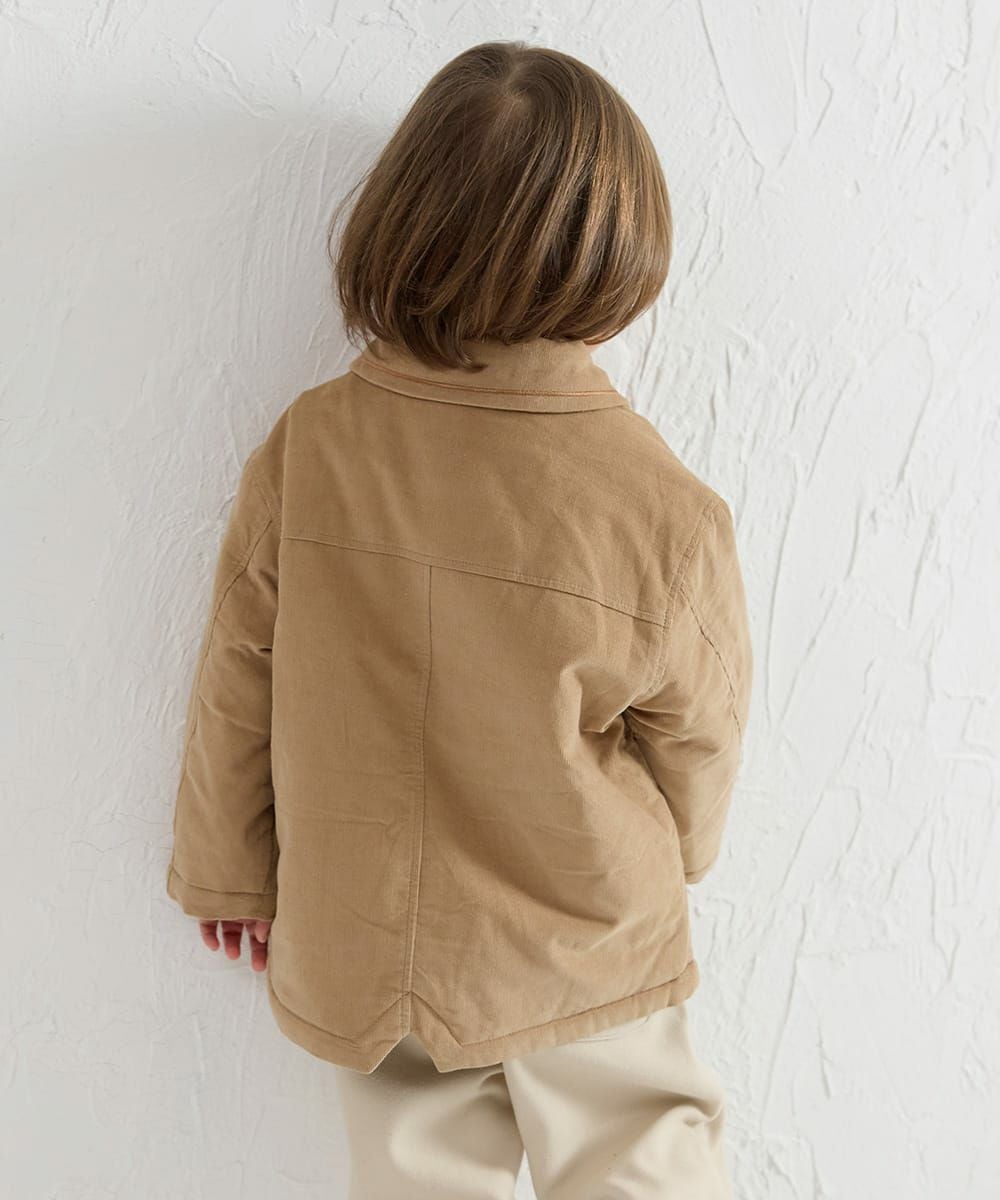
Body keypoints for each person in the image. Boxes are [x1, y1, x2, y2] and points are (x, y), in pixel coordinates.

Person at [164, 39, 753, 1200]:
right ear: (615, 252)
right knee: (643, 1168)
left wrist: (228, 868)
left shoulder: (316, 446)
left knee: (414, 1180)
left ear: (404, 223)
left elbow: (240, 667)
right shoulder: (660, 506)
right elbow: (701, 735)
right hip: (584, 939)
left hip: (373, 939)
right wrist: (681, 853)